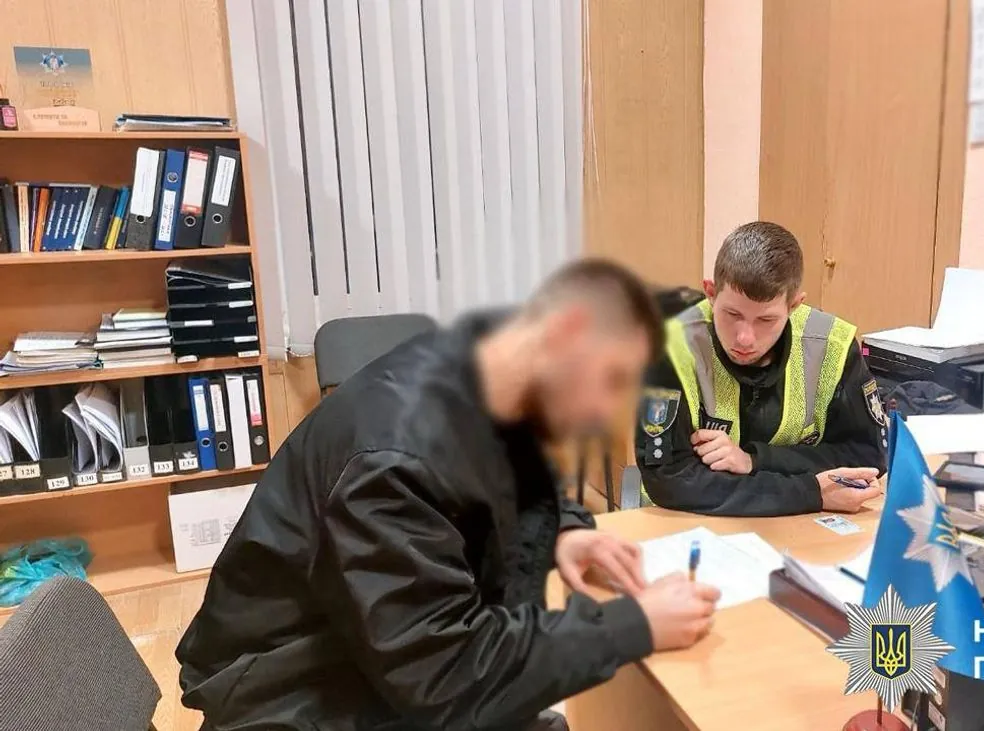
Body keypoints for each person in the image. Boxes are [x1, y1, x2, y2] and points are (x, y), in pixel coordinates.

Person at [176, 260, 721, 731]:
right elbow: (447, 677)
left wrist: (565, 532)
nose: (606, 411)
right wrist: (634, 625)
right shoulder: (392, 467)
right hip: (288, 695)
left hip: (368, 655)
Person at [635, 221, 888, 517]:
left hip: (801, 523)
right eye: (732, 314)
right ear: (710, 293)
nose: (745, 338)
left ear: (794, 305)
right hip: (686, 524)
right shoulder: (669, 346)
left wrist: (754, 460)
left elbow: (868, 457)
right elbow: (669, 479)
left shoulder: (833, 344)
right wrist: (809, 492)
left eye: (766, 320)